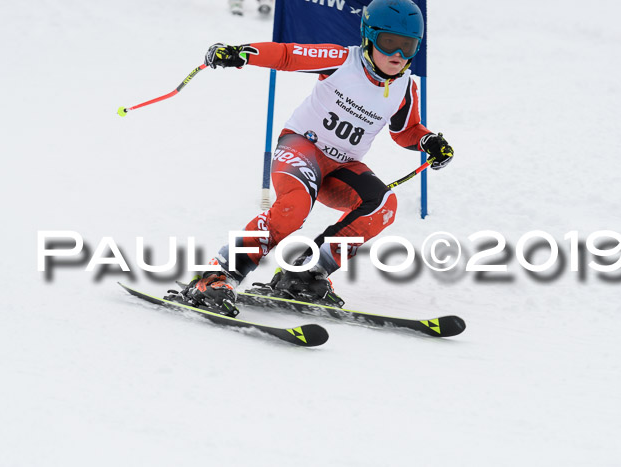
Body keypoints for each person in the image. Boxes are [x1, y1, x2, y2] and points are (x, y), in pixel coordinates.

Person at [179, 0, 454, 316]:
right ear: (368, 36)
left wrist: (429, 141)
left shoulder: (405, 88)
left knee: (383, 206)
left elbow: (406, 131)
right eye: (388, 43)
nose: (398, 55)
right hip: (301, 147)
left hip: (342, 165)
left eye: (408, 47)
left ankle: (306, 274)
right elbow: (287, 55)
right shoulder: (342, 60)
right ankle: (216, 276)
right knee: (293, 207)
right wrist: (242, 53)